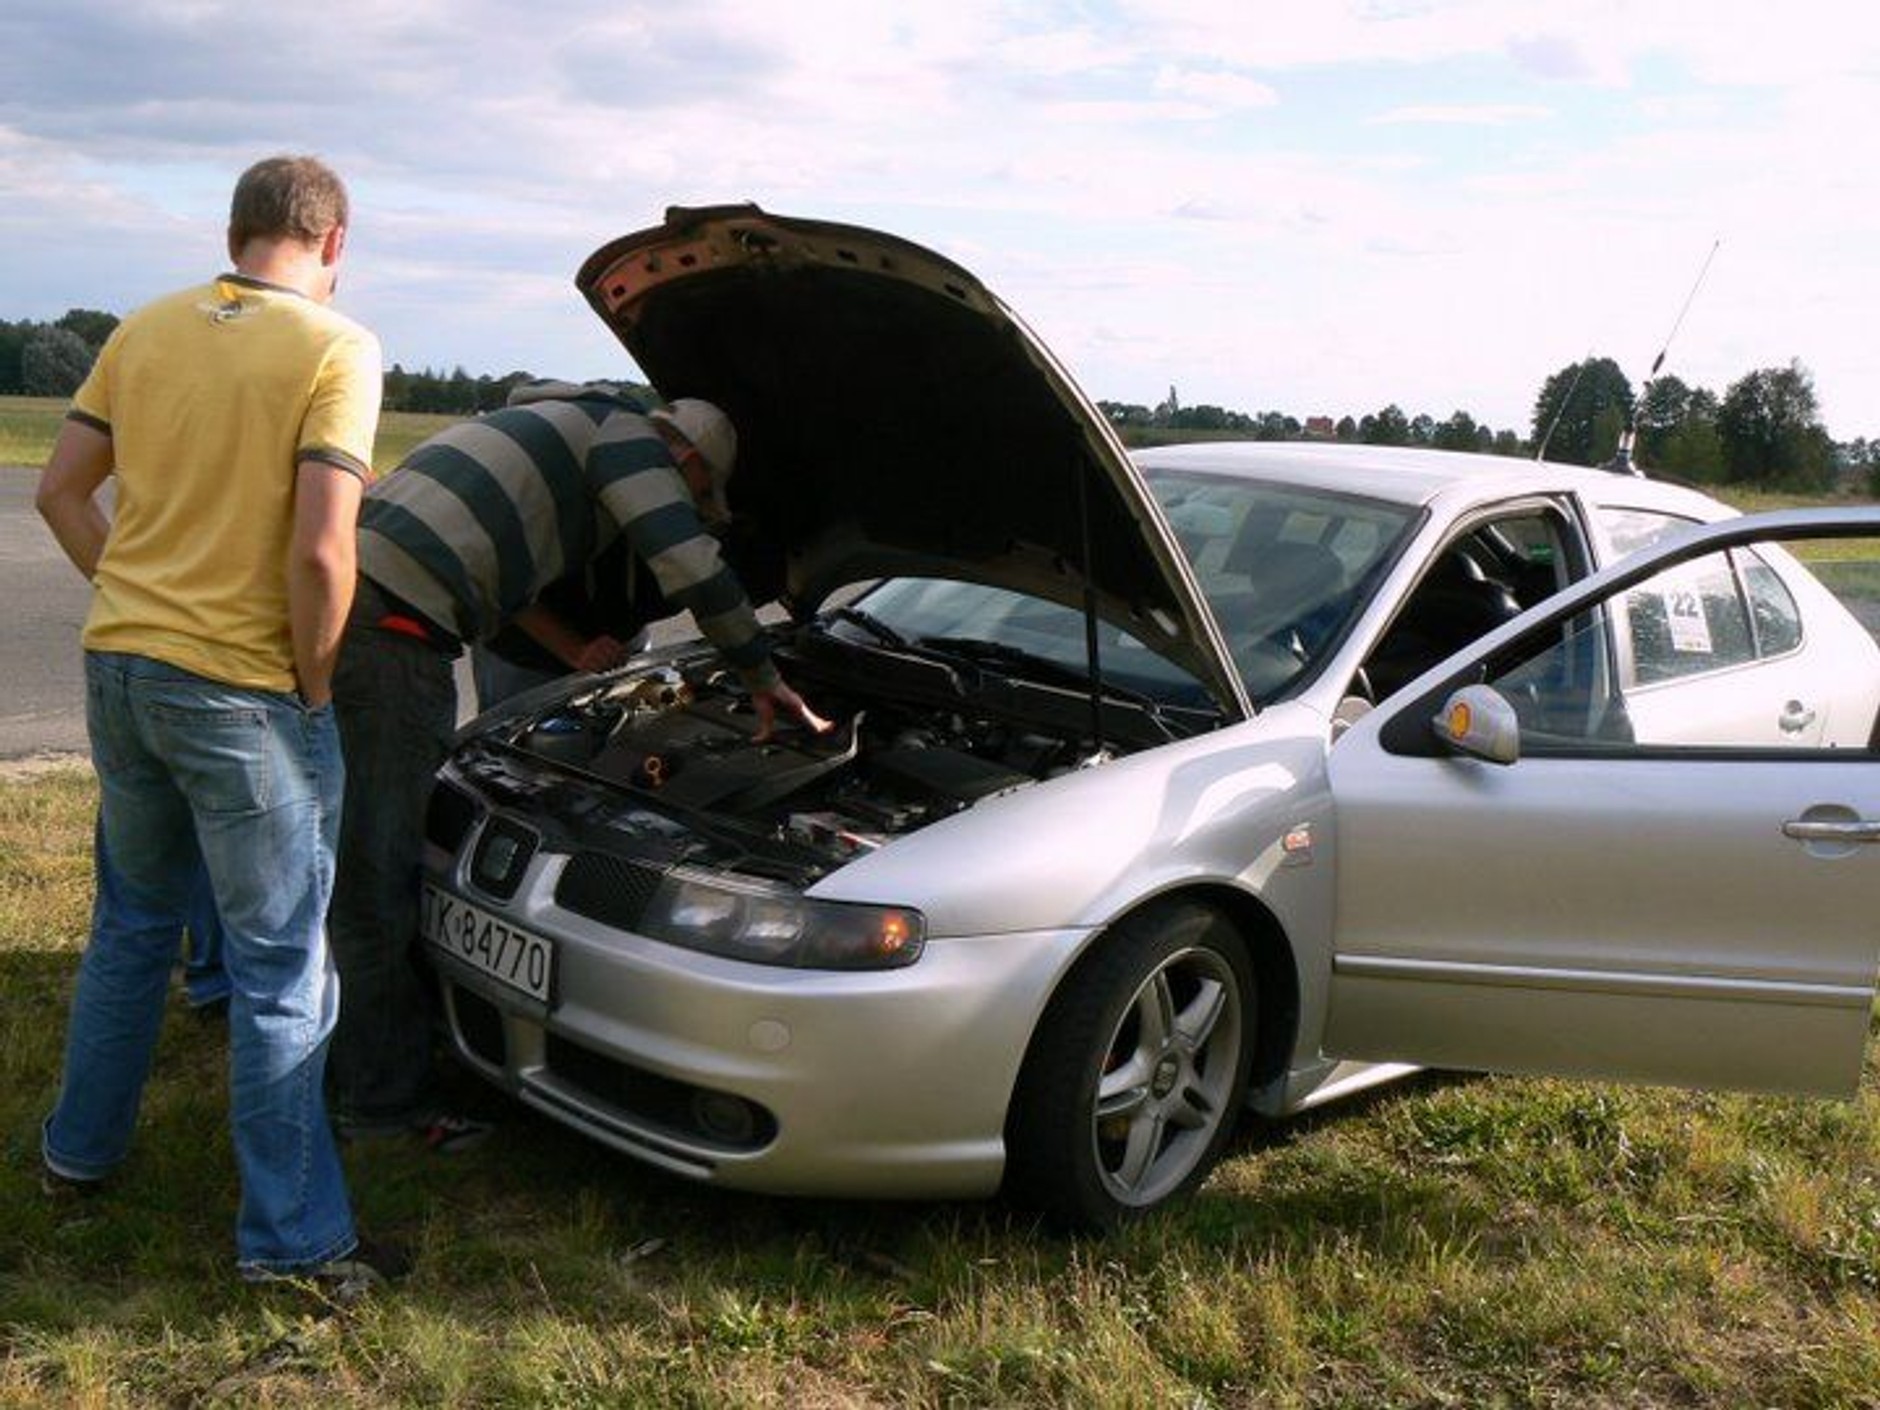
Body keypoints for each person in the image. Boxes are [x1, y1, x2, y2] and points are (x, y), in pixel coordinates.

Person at [35, 154, 400, 1293]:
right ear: (333, 243)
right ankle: (294, 1241)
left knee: (134, 925)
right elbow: (322, 548)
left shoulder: (142, 329)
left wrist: (133, 599)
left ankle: (77, 1155)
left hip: (122, 671)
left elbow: (59, 491)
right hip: (244, 695)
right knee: (284, 964)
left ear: (236, 229)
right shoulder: (337, 347)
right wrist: (317, 683)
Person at [326, 379, 828, 1141]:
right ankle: (381, 1101)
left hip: (344, 597)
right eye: (699, 493)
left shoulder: (556, 421)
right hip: (389, 635)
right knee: (376, 866)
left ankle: (346, 1045)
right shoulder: (628, 439)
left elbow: (506, 570)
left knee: (342, 845)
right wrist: (762, 678)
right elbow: (692, 570)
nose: (694, 506)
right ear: (685, 456)